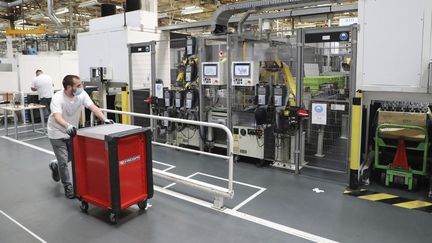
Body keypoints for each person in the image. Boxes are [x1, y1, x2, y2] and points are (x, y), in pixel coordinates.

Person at [48, 75, 114, 199]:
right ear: (68, 87)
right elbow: (57, 117)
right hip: (56, 132)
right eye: (78, 85)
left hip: (71, 131)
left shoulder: (82, 94)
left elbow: (93, 107)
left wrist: (104, 119)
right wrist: (67, 126)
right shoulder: (57, 98)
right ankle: (68, 186)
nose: (81, 87)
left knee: (71, 157)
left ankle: (54, 165)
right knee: (63, 161)